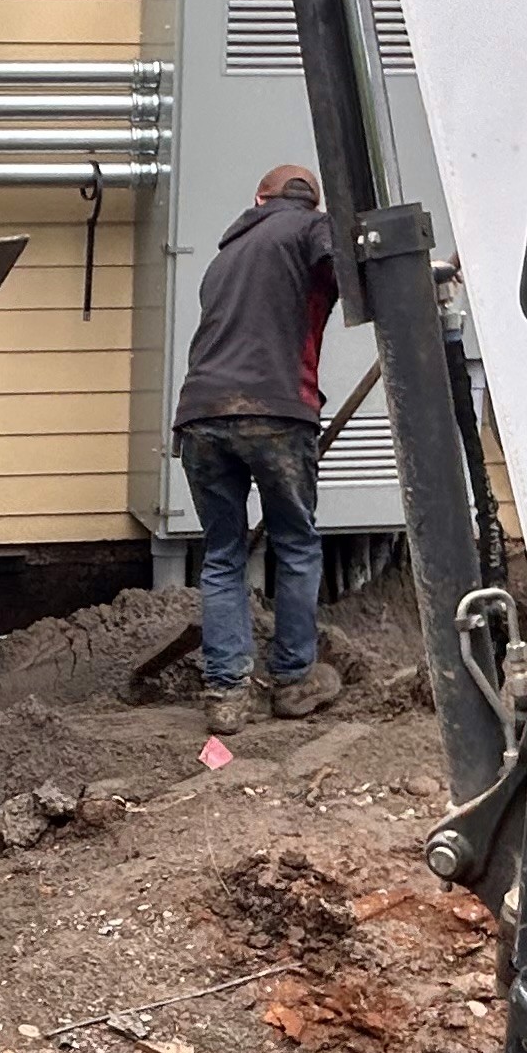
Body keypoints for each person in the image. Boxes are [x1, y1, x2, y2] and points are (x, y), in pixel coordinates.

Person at [175, 163, 348, 733]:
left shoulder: (223, 258)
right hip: (276, 411)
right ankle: (294, 681)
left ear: (258, 199)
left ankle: (226, 696)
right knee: (295, 546)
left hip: (201, 415)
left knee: (224, 555)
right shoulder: (310, 228)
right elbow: (349, 260)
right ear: (310, 202)